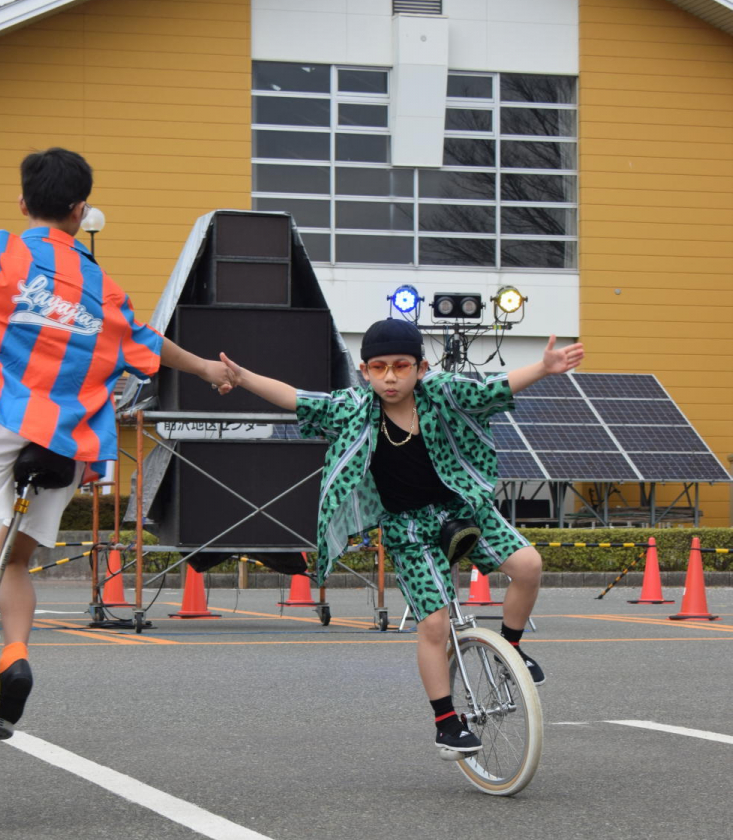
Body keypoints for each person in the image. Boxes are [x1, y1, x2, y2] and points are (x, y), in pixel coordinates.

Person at [0, 146, 233, 735]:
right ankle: (15, 655)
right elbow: (149, 346)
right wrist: (208, 370)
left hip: (5, 424)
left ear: (23, 202)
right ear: (80, 209)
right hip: (68, 444)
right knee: (14, 559)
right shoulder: (103, 288)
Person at [217, 318, 584, 759]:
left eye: (401, 366)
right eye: (378, 367)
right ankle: (447, 724)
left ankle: (513, 649)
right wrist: (243, 378)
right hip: (408, 530)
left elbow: (492, 389)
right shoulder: (353, 407)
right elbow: (298, 399)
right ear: (365, 370)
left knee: (528, 565)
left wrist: (543, 368)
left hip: (463, 509)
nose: (390, 377)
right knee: (433, 623)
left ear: (421, 368)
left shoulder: (444, 392)